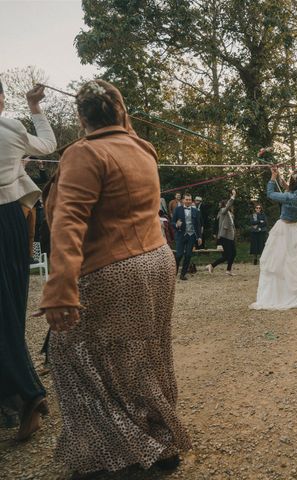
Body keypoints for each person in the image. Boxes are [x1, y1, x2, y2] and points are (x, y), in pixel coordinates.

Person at [36, 80, 191, 476]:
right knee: (144, 354)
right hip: (156, 260)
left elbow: (69, 221)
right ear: (123, 113)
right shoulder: (141, 148)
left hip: (113, 268)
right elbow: (127, 128)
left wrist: (59, 289)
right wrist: (120, 111)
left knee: (76, 357)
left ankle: (118, 457)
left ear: (79, 117)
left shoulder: (84, 154)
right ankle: (160, 442)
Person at [0, 81, 56, 440]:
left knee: (4, 310)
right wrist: (35, 108)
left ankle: (27, 393)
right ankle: (14, 396)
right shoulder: (11, 127)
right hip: (13, 221)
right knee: (11, 306)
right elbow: (49, 145)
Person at [250, 167, 297, 310]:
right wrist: (280, 177)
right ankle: (296, 294)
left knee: (278, 262)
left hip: (284, 229)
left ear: (295, 182)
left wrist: (273, 178)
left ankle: (280, 295)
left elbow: (271, 194)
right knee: (296, 263)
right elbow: (289, 188)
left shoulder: (290, 197)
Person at [172, 193, 203, 280]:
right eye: (187, 199)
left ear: (191, 200)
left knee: (188, 255)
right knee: (179, 255)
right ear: (183, 200)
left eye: (190, 199)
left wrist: (199, 237)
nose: (188, 201)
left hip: (191, 235)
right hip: (181, 235)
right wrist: (176, 225)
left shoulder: (195, 211)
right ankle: (174, 272)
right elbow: (172, 222)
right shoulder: (177, 209)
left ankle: (183, 274)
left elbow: (198, 225)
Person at [207, 190, 237, 276]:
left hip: (231, 236)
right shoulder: (222, 211)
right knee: (227, 255)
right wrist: (233, 196)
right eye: (228, 203)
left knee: (233, 253)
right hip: (224, 236)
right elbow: (228, 206)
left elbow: (232, 225)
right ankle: (212, 265)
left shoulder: (231, 214)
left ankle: (228, 270)